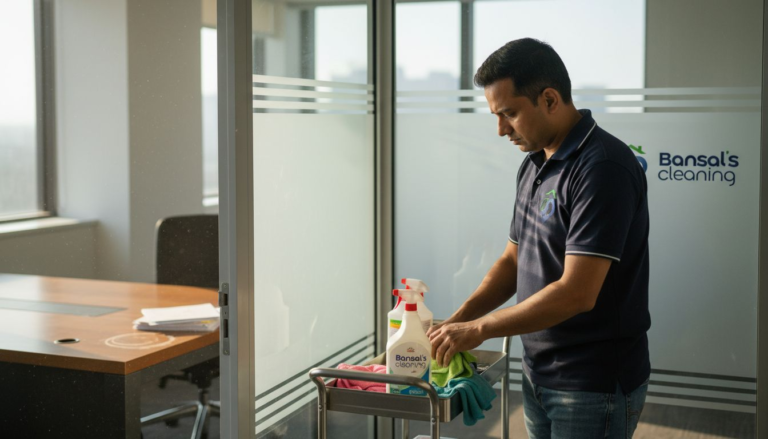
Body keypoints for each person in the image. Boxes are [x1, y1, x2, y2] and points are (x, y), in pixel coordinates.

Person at [426, 38, 651, 439]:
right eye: (496, 116)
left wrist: (479, 330)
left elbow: (577, 293)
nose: (501, 130)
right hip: (537, 373)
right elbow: (513, 261)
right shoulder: (534, 163)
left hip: (591, 383)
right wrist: (459, 321)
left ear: (549, 99)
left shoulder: (603, 168)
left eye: (509, 114)